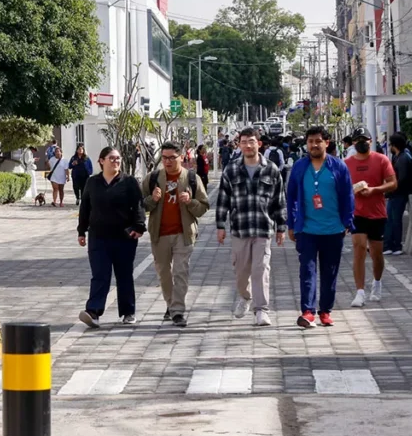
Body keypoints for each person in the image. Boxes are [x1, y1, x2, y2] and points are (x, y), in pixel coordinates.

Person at [215, 127, 287, 327]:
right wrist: (220, 226)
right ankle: (245, 296)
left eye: (251, 141)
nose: (247, 145)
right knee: (241, 272)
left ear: (259, 143)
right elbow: (223, 200)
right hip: (240, 228)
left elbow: (279, 200)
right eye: (244, 141)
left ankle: (261, 310)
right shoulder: (231, 169)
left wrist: (281, 226)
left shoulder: (271, 169)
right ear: (239, 144)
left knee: (260, 269)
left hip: (264, 229)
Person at [286, 126, 355, 329]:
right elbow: (291, 197)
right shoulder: (300, 167)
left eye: (318, 141)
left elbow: (347, 196)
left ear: (326, 142)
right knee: (306, 271)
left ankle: (325, 311)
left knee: (329, 272)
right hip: (306, 229)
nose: (314, 145)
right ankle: (308, 312)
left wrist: (347, 223)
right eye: (310, 141)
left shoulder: (338, 167)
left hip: (333, 230)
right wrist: (291, 224)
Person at [142, 141, 210, 327]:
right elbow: (140, 205)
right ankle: (171, 304)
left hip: (184, 233)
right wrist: (153, 199)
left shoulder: (191, 178)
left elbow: (203, 207)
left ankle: (177, 311)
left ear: (181, 157)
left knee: (180, 272)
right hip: (159, 233)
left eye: (172, 157)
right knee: (164, 273)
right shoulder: (153, 178)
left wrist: (190, 202)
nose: (168, 161)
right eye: (164, 158)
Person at [77, 146, 146, 328]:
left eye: (118, 159)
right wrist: (81, 231)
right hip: (98, 237)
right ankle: (93, 311)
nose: (115, 162)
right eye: (111, 158)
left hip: (124, 237)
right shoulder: (92, 183)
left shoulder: (129, 182)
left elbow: (138, 206)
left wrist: (139, 227)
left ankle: (128, 312)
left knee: (124, 275)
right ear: (101, 161)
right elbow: (85, 207)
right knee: (100, 274)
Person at [344, 127, 397, 307]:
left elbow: (392, 183)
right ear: (353, 143)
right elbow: (341, 189)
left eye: (364, 139)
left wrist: (374, 190)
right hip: (356, 213)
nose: (361, 143)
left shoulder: (381, 160)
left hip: (377, 212)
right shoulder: (347, 163)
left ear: (370, 141)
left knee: (376, 254)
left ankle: (377, 282)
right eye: (357, 140)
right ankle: (359, 292)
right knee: (358, 248)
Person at [384, 133, 412, 255]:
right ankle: (389, 245)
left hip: (398, 194)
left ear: (394, 145)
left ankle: (396, 245)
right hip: (394, 194)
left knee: (395, 220)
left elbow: (401, 179)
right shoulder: (398, 157)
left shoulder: (402, 159)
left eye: (391, 144)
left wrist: (390, 189)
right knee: (390, 219)